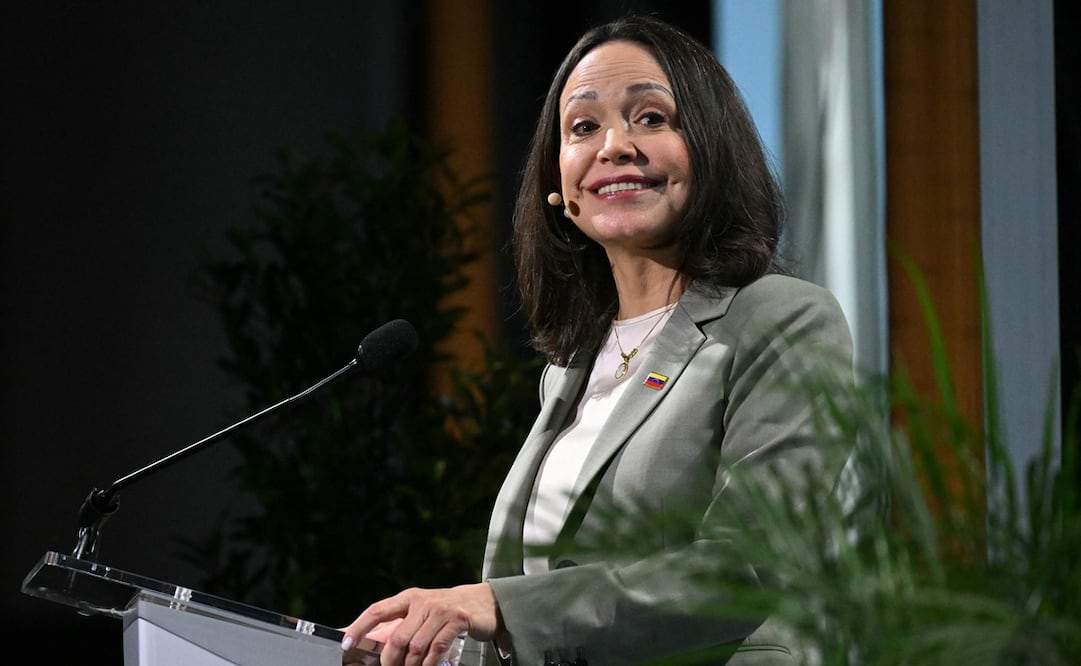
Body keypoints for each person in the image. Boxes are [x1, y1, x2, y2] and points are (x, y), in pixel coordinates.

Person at [341, 14, 854, 666]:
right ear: (559, 188)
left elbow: (750, 565)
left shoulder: (783, 318)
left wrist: (498, 606)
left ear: (713, 148)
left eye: (650, 118)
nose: (614, 145)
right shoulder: (569, 369)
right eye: (583, 127)